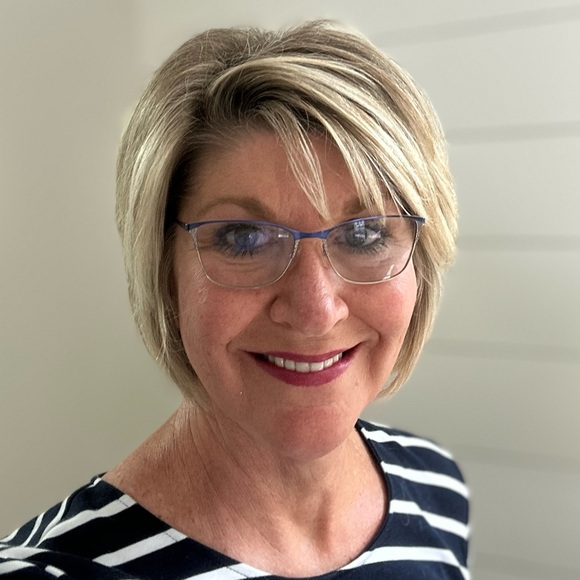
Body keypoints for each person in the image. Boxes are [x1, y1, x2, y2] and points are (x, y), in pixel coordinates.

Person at [0, 20, 468, 579]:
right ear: (163, 270)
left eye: (365, 233)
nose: (315, 311)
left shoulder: (437, 492)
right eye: (245, 239)